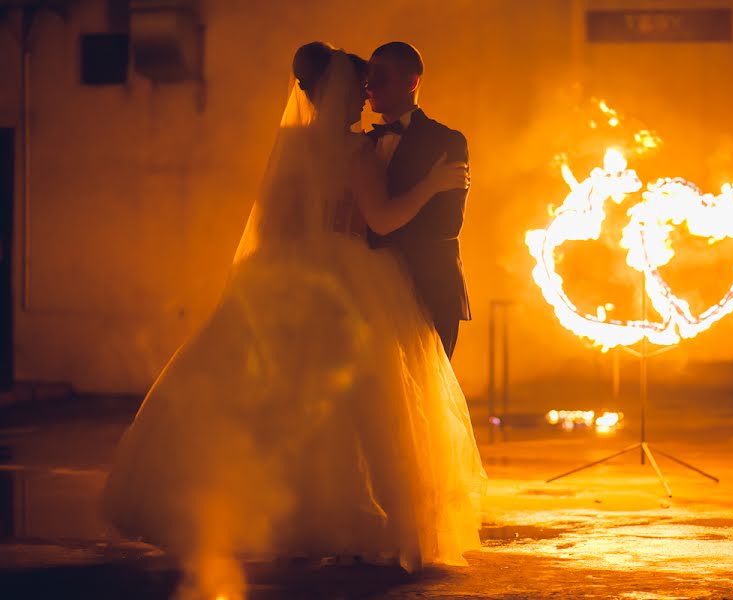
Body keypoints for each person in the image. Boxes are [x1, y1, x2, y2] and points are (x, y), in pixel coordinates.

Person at [101, 42, 485, 598]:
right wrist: (430, 187)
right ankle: (348, 520)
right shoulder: (354, 152)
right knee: (365, 406)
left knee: (272, 401)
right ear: (342, 91)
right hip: (349, 274)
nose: (366, 95)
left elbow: (273, 222)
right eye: (360, 86)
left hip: (280, 277)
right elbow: (380, 219)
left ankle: (263, 515)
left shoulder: (289, 144)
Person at [366, 42, 471, 359]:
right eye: (368, 78)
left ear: (411, 82)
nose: (369, 86)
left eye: (380, 77)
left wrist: (382, 225)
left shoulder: (446, 141)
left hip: (430, 285)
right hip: (372, 289)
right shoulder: (361, 144)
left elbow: (447, 223)